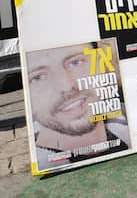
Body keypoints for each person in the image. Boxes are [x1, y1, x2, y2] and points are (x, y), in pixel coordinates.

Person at [27, 42, 130, 170]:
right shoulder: (44, 163)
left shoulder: (130, 120)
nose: (66, 86)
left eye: (76, 62)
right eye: (38, 77)